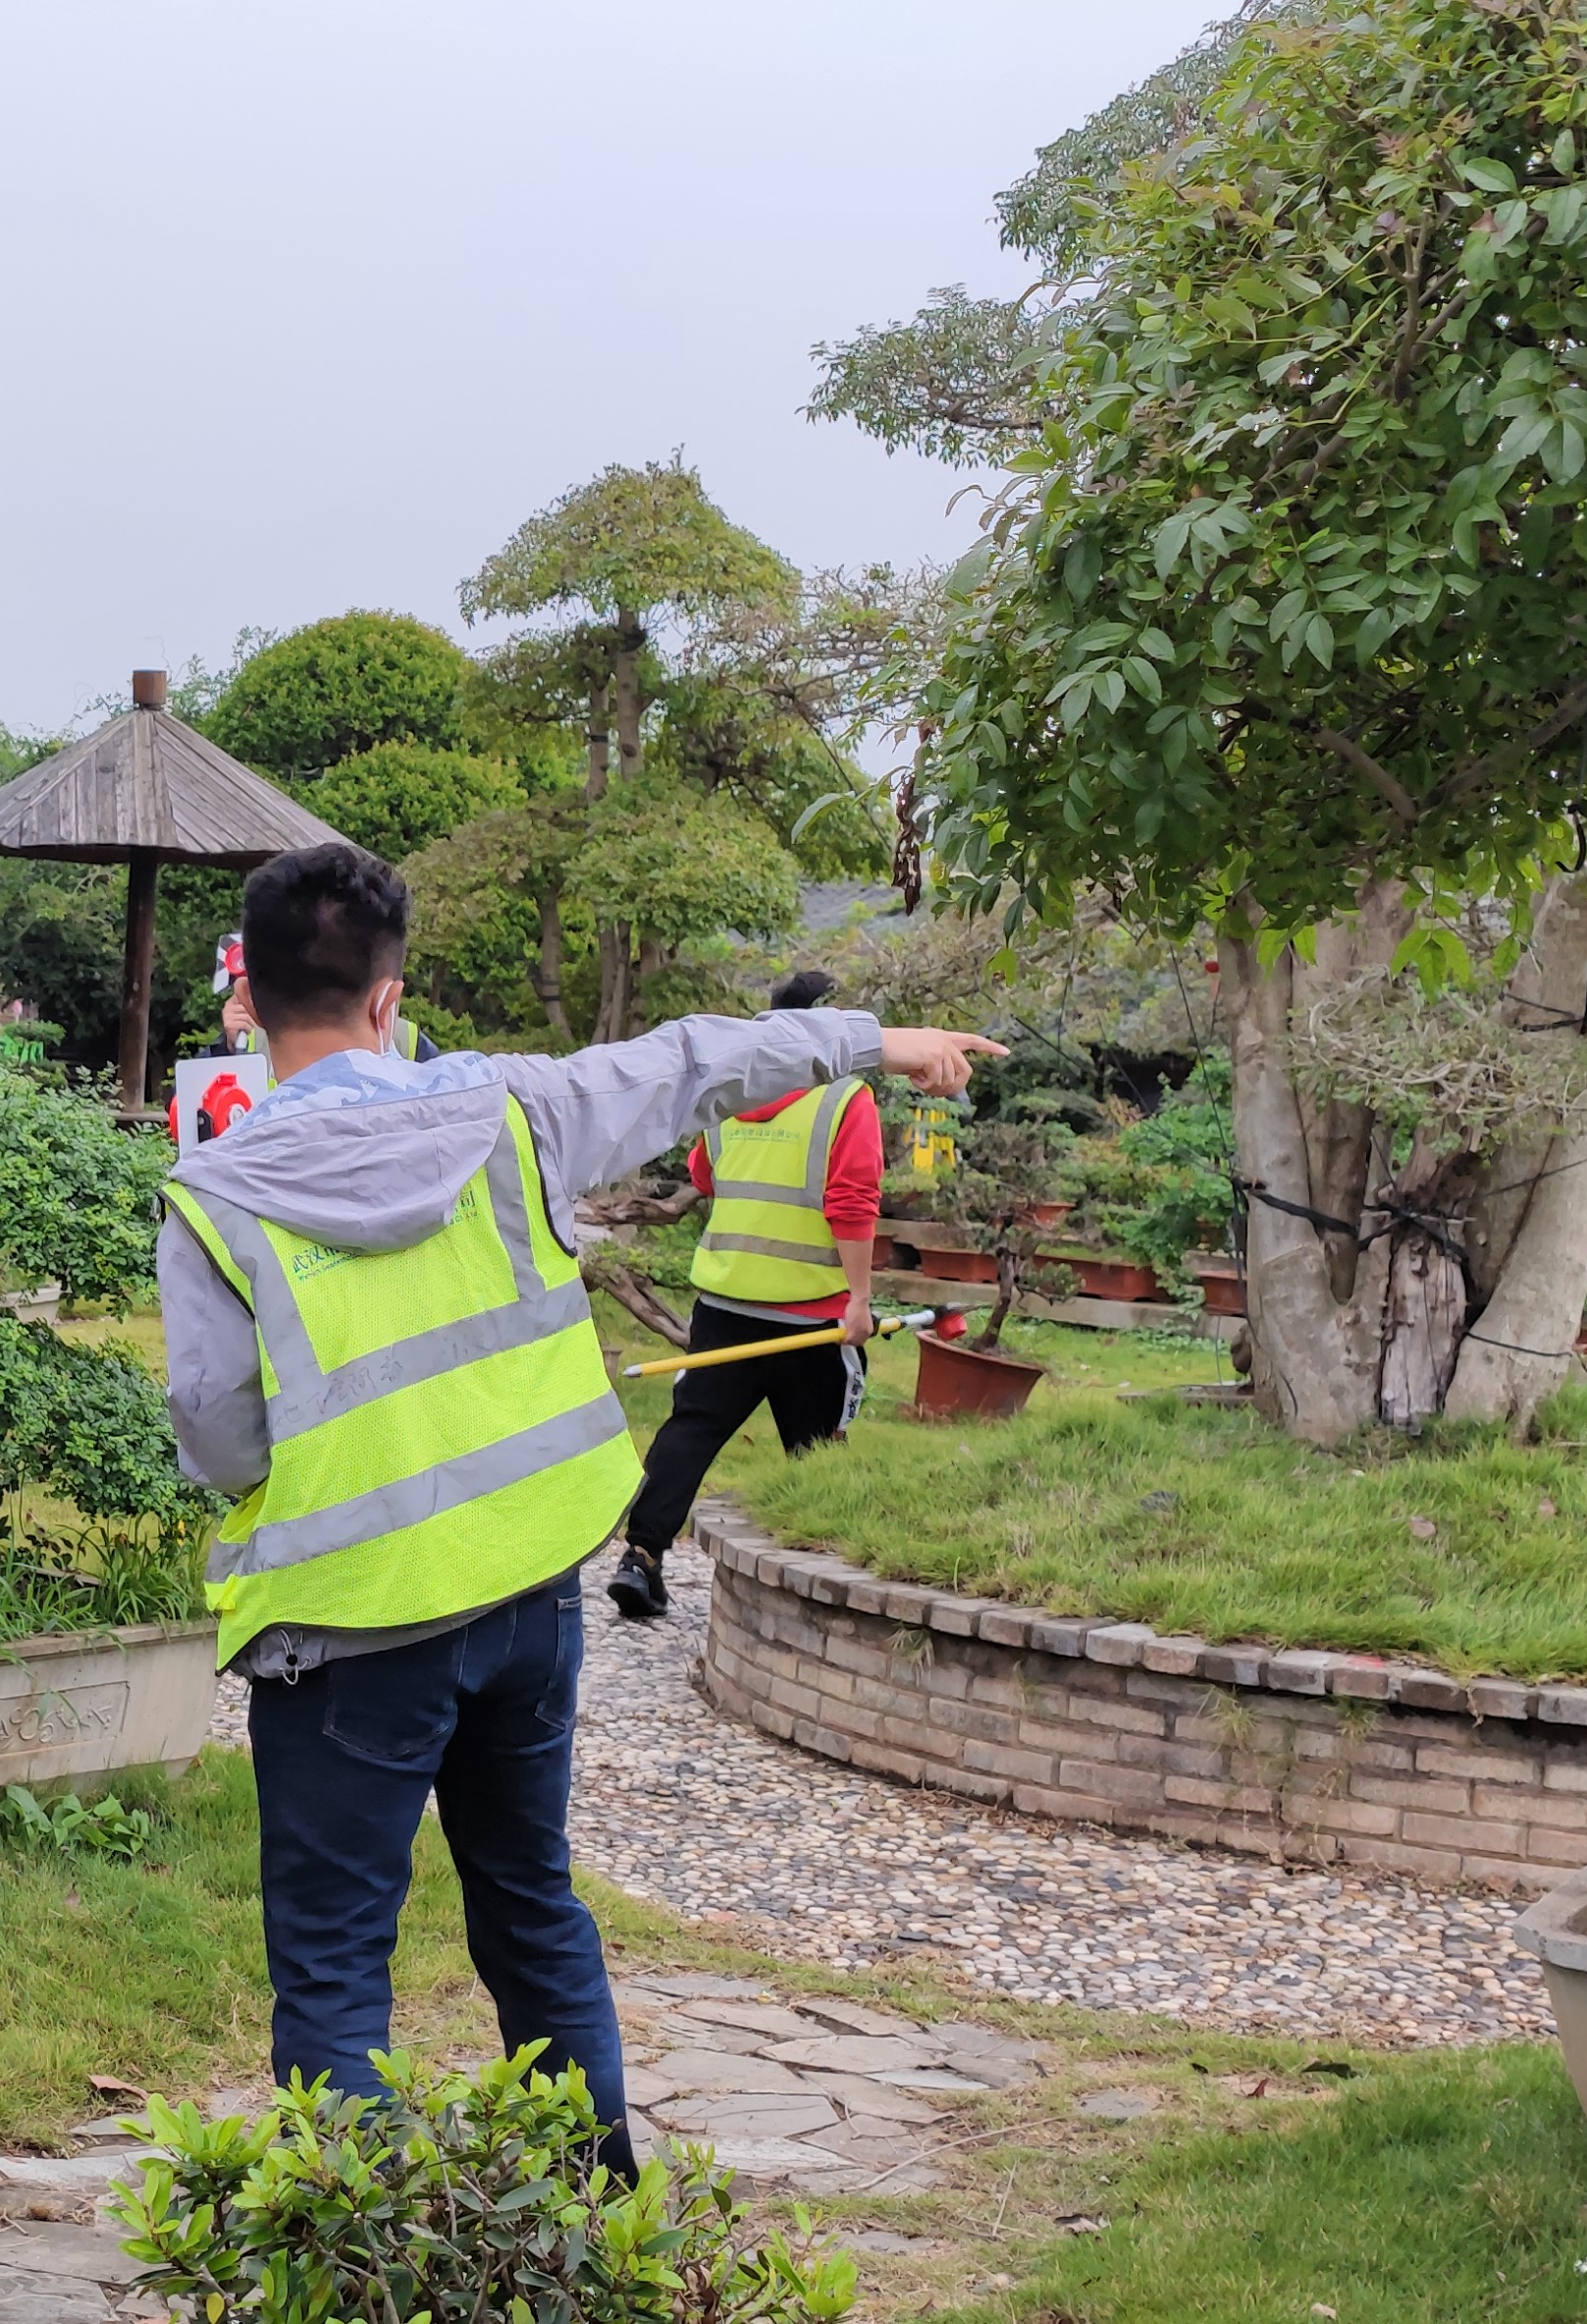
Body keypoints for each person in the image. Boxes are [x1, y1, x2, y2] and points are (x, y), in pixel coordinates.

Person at [155, 843, 992, 2170]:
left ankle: (360, 2256)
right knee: (532, 1908)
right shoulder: (513, 1111)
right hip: (527, 1600)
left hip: (344, 1628)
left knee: (334, 1962)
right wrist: (874, 1042)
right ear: (391, 996)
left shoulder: (215, 1197)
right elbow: (689, 1060)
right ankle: (594, 2226)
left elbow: (213, 1425)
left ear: (246, 1002)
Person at [605, 969, 878, 1621]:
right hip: (812, 1318)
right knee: (817, 1449)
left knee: (691, 1430)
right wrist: (861, 1300)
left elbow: (704, 1174)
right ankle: (820, 1586)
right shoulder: (845, 1099)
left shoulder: (733, 1095)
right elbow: (852, 1203)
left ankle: (641, 1557)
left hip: (726, 1307)